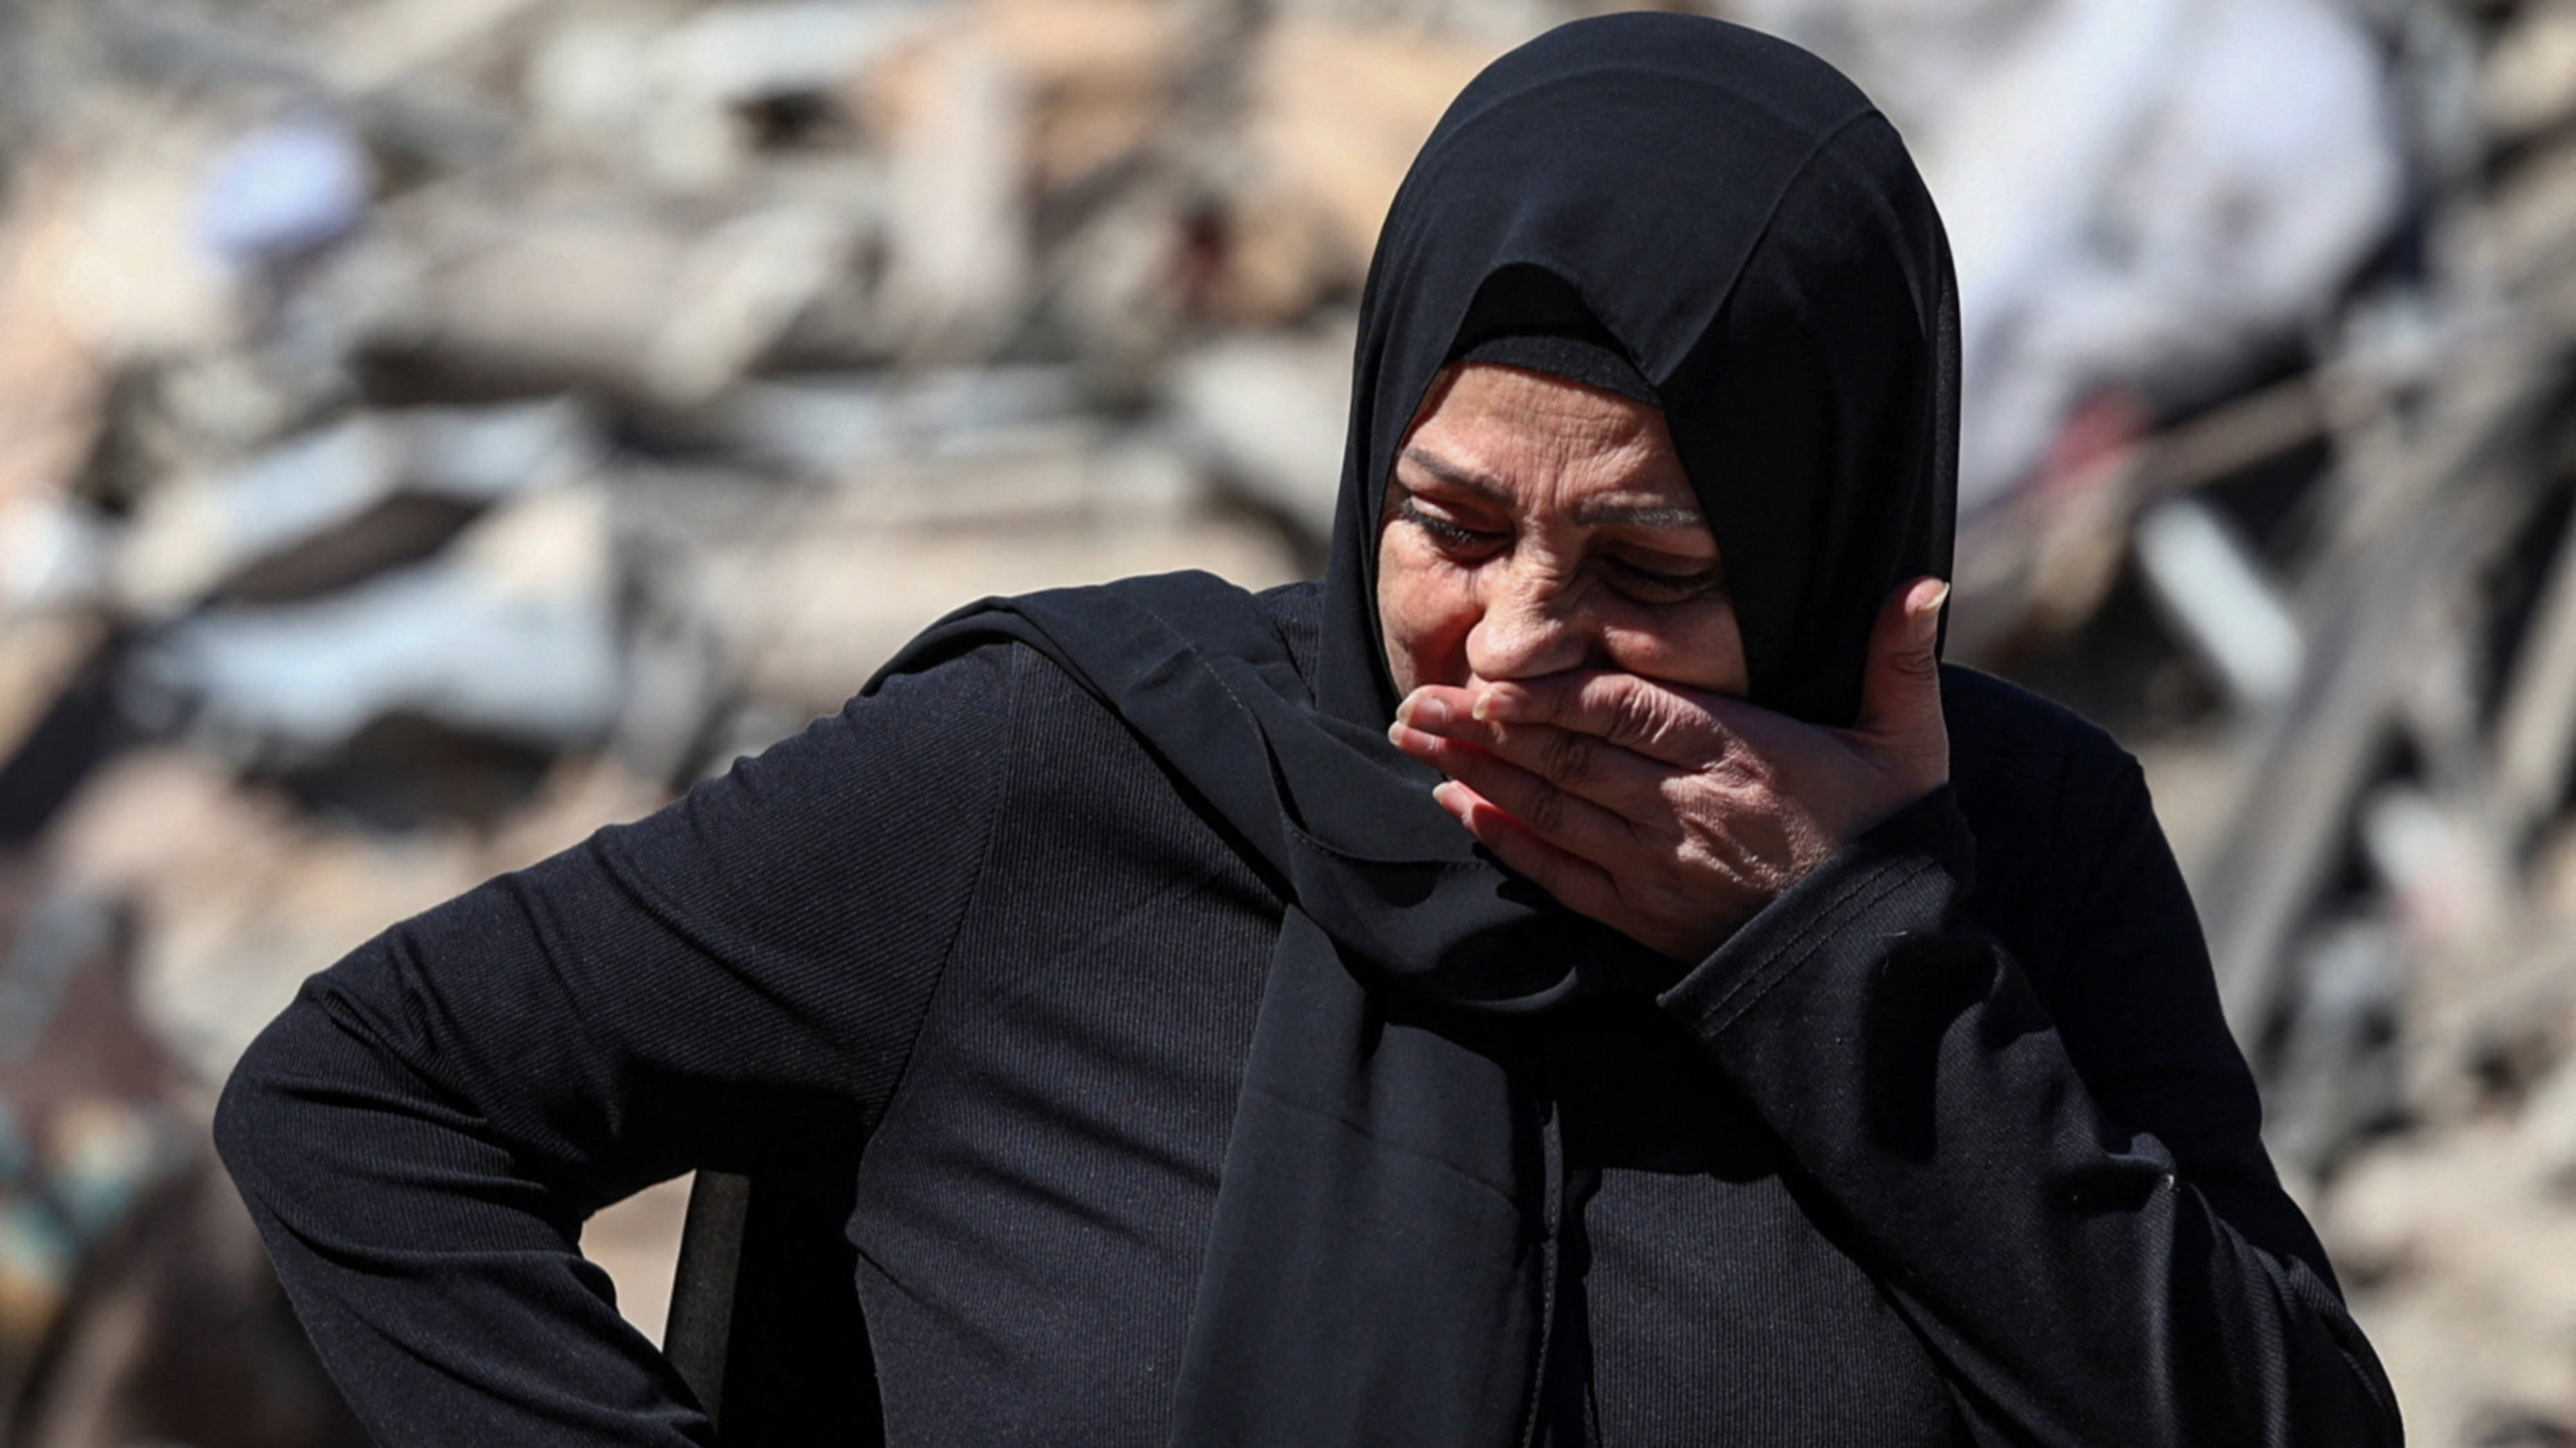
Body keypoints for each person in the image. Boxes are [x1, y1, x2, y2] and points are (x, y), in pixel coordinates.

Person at [214, 14, 2402, 1447]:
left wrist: (1835, 960)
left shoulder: (2005, 861)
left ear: (1835, 563)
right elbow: (367, 1099)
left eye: (1647, 571)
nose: (1520, 645)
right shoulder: (1072, 780)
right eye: (1446, 527)